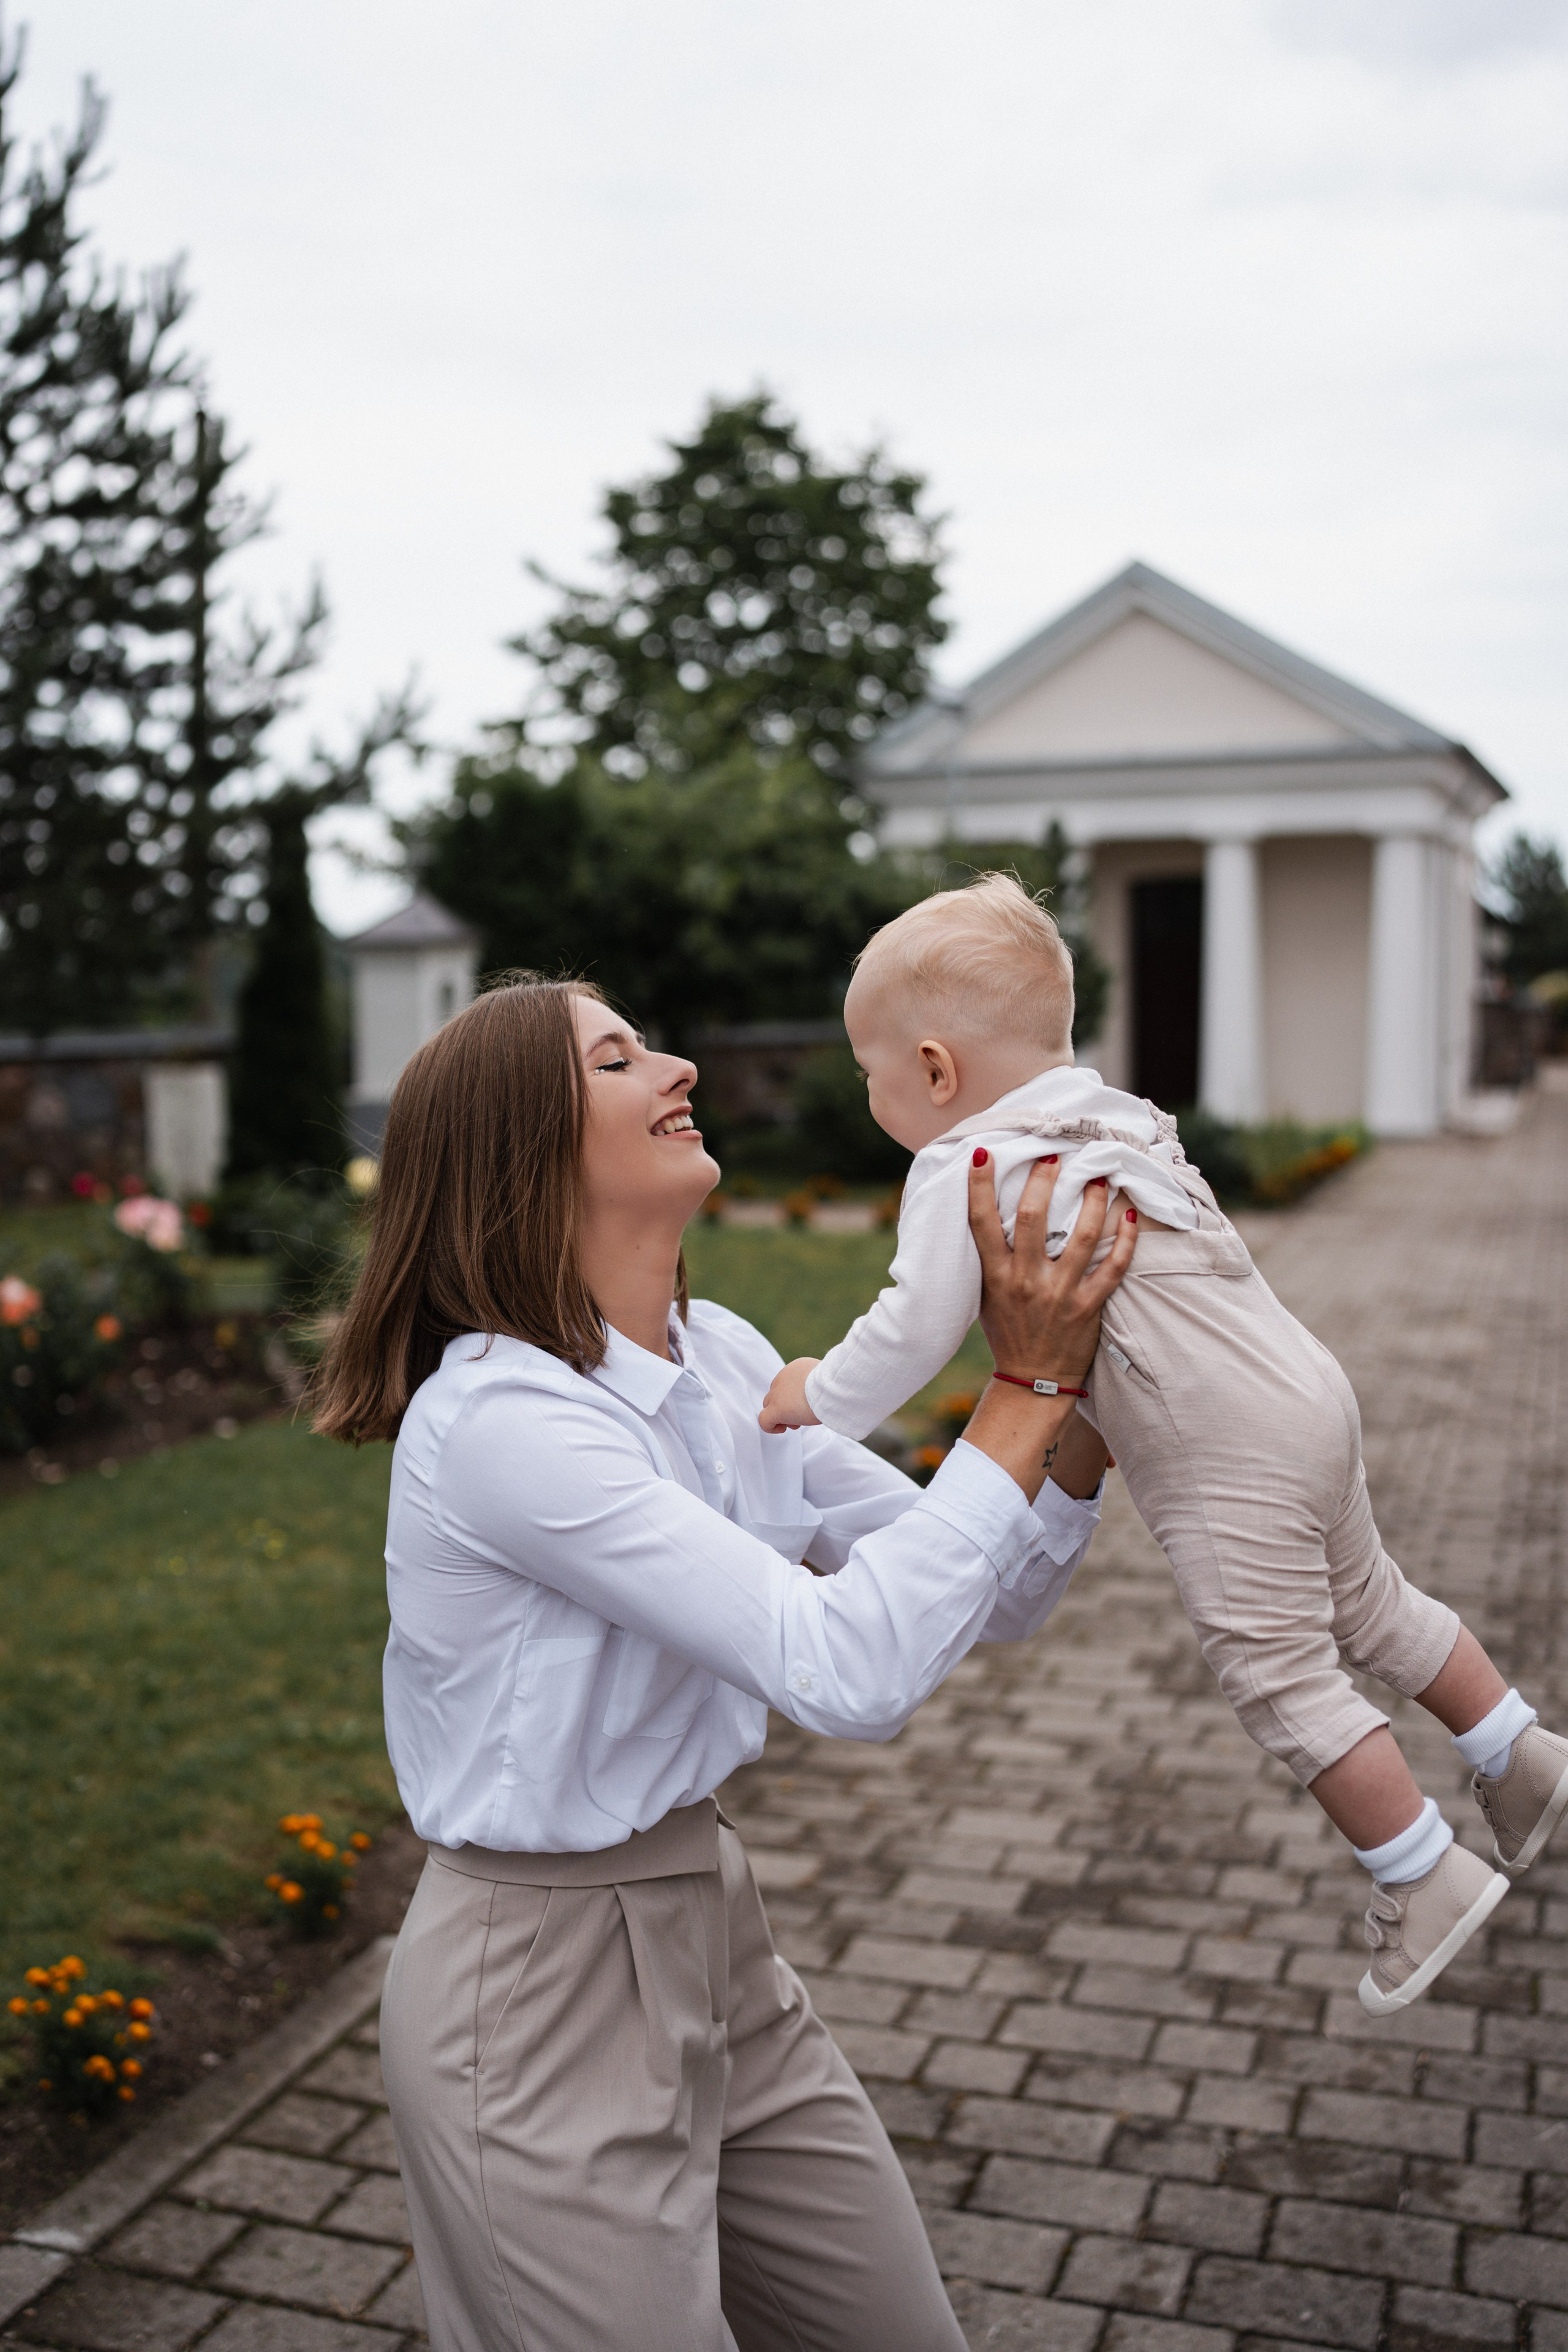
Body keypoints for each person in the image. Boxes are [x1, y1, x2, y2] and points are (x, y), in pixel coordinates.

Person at [312, 971, 1136, 2352]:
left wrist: (1097, 1407)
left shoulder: (721, 1357)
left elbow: (986, 1595)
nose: (680, 1066)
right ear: (522, 1145)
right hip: (532, 1994)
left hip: (714, 1930)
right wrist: (1023, 1389)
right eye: (621, 1059)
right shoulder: (509, 1422)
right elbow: (846, 1670)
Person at [759, 873, 1568, 2017]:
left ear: (935, 1071)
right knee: (1372, 1601)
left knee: (1277, 1668)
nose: (871, 1091)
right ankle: (1520, 1754)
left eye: (869, 1069)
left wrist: (817, 1394)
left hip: (1217, 1440)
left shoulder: (964, 1166)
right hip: (1304, 1387)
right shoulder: (1117, 1120)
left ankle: (1420, 1873)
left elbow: (911, 1328)